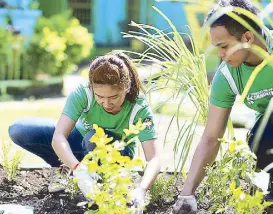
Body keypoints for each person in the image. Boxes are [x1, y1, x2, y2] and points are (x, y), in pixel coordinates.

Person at [8, 52, 161, 208]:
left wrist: (141, 190)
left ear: (126, 87)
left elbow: (154, 159)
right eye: (100, 96)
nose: (106, 103)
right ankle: (65, 168)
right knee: (19, 130)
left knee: (93, 137)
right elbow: (59, 137)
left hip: (115, 153)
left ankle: (108, 179)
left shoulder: (138, 107)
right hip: (79, 143)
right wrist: (78, 169)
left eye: (114, 97)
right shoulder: (82, 93)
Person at [173, 0, 273, 213]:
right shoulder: (227, 75)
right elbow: (211, 137)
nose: (219, 54)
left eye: (224, 46)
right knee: (260, 138)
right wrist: (186, 194)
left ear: (247, 37)